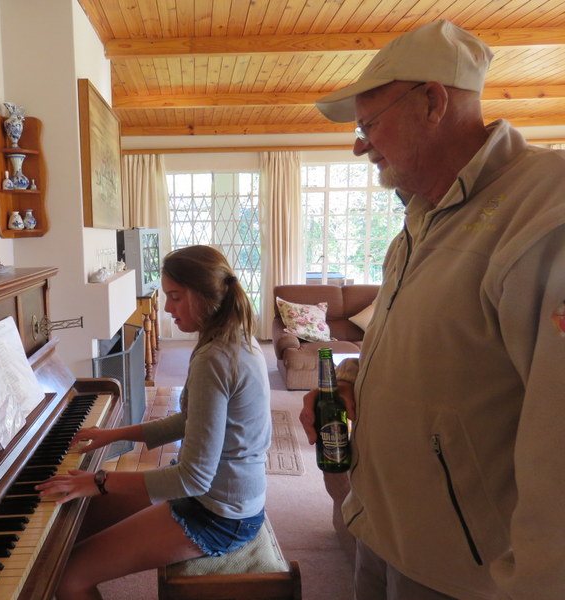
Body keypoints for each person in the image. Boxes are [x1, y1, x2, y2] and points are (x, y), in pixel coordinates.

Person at [299, 19, 565, 600]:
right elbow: (429, 346)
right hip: (382, 531)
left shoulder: (546, 212)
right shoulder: (421, 216)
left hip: (465, 573)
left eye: (369, 123)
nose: (359, 144)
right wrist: (354, 380)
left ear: (433, 102)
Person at [36, 245, 272, 599]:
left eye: (175, 297)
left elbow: (192, 479)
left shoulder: (216, 358)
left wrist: (99, 480)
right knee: (75, 521)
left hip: (220, 515)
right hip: (220, 497)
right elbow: (190, 421)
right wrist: (111, 435)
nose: (167, 308)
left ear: (204, 296)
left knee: (68, 576)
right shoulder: (232, 336)